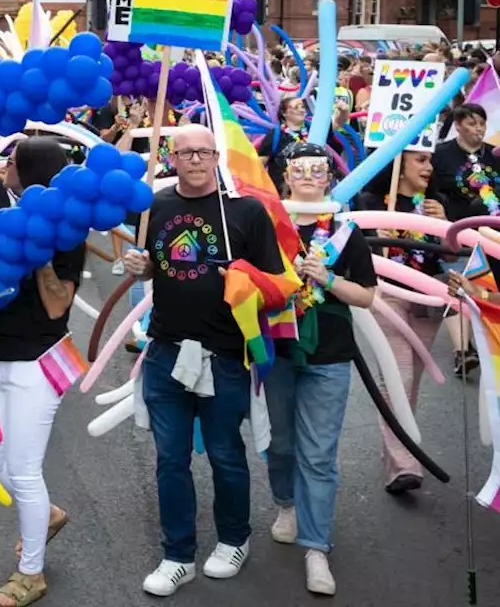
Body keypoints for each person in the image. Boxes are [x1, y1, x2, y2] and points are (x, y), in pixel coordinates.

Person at [123, 124, 285, 597]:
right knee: (170, 459)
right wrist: (143, 267)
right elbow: (154, 262)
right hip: (166, 351)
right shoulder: (154, 207)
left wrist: (244, 278)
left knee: (225, 455)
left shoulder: (247, 212)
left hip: (226, 356)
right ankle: (178, 555)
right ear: (173, 158)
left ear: (217, 157)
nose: (195, 159)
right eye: (186, 152)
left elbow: (276, 284)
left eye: (204, 152)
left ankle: (234, 539)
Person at [0, 138, 85, 607]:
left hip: (38, 363)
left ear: (33, 170)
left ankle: (30, 575)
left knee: (22, 470)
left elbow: (58, 304)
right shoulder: (6, 215)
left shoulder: (66, 231)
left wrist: (39, 255)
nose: (4, 170)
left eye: (12, 164)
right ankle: (48, 514)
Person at [263, 144, 376, 596]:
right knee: (281, 441)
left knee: (319, 454)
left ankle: (316, 546)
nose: (309, 175)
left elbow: (367, 295)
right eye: (299, 168)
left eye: (318, 169)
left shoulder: (347, 233)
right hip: (277, 350)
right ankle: (285, 503)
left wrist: (326, 279)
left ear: (329, 177)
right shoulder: (268, 227)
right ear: (286, 175)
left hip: (328, 354)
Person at [360, 150, 449, 494]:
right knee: (399, 378)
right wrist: (375, 233)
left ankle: (396, 453)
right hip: (387, 297)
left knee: (410, 386)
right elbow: (352, 246)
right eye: (419, 161)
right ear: (399, 163)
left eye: (429, 161)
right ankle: (404, 466)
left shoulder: (435, 202)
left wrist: (444, 225)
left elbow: (452, 254)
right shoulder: (371, 200)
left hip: (428, 300)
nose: (428, 167)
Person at [431, 103, 494, 374]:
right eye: (471, 123)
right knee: (457, 285)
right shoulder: (441, 155)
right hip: (456, 232)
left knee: (486, 288)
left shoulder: (494, 154)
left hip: (492, 234)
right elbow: (429, 188)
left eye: (481, 123)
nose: (478, 129)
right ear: (457, 125)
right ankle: (463, 351)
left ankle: (487, 344)